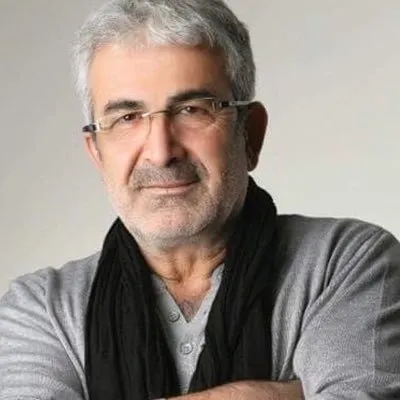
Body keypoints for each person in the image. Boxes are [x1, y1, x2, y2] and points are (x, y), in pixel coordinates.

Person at [1, 0, 400, 399]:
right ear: (96, 153)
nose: (161, 152)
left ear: (250, 134)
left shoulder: (346, 264)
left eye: (192, 109)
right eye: (127, 118)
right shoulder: (41, 310)